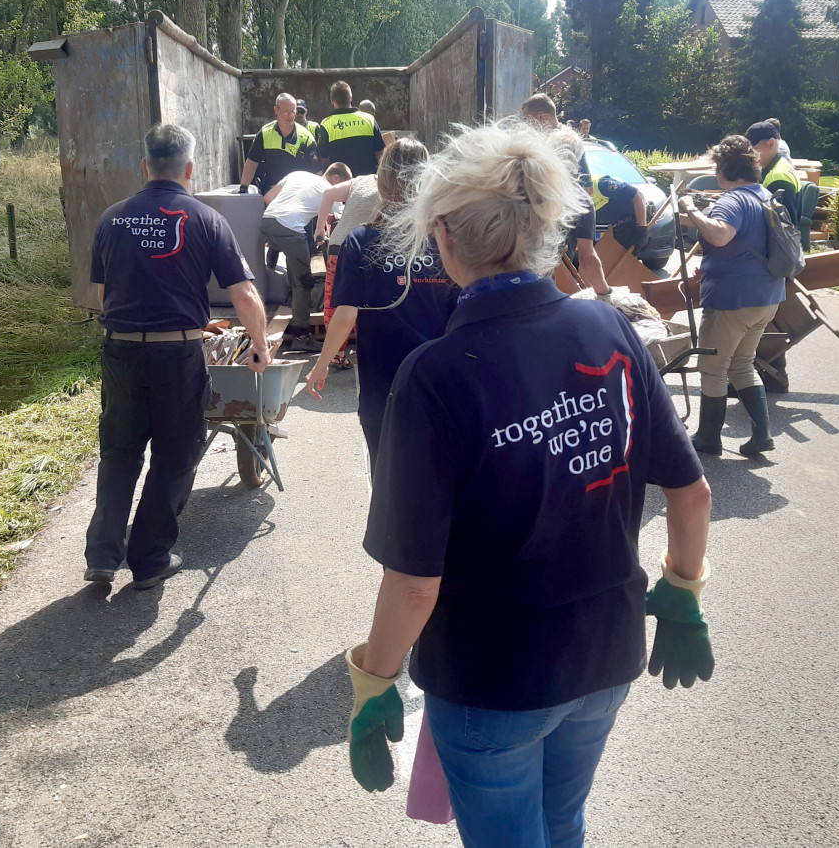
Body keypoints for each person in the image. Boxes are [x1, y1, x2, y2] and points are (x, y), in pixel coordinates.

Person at [342, 120, 714, 848]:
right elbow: (692, 492)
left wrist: (375, 679)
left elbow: (415, 581)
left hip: (493, 677)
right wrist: (684, 590)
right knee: (561, 822)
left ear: (443, 235)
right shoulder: (611, 330)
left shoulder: (436, 376)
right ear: (545, 225)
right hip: (606, 653)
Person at [85, 123, 271, 589]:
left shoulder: (112, 218)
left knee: (120, 451)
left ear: (145, 166)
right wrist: (261, 347)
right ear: (189, 169)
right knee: (176, 454)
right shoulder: (206, 219)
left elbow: (106, 294)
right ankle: (149, 559)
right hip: (177, 356)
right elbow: (245, 294)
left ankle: (103, 556)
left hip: (121, 353)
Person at [305, 139, 457, 461]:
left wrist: (321, 365)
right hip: (443, 381)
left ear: (383, 181)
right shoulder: (447, 236)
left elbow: (344, 316)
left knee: (387, 477)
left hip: (383, 385)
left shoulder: (359, 240)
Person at [677, 134, 786, 458]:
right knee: (741, 363)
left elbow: (721, 236)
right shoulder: (764, 196)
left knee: (712, 368)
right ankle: (762, 435)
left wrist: (690, 211)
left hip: (733, 301)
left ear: (723, 169)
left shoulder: (734, 200)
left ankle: (709, 437)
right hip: (768, 298)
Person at [522, 92, 612, 296]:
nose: (525, 126)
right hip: (537, 271)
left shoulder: (526, 183)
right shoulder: (534, 185)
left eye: (527, 120)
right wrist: (606, 296)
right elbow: (588, 258)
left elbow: (587, 186)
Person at [262, 163, 353, 352]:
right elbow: (335, 223)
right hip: (290, 231)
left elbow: (268, 197)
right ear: (336, 179)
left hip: (267, 221)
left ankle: (274, 250)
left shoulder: (297, 173)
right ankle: (301, 336)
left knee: (293, 255)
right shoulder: (331, 190)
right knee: (304, 283)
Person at [314, 166, 383, 367]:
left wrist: (320, 229)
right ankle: (369, 351)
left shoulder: (360, 180)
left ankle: (336, 353)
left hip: (338, 244)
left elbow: (329, 193)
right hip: (369, 246)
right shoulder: (395, 184)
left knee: (335, 299)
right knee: (370, 300)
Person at [240, 92, 317, 193]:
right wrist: (243, 188)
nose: (290, 116)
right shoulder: (265, 134)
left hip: (298, 192)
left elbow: (317, 171)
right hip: (271, 190)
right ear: (276, 110)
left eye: (293, 112)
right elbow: (252, 163)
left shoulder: (306, 137)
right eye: (285, 111)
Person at [316, 81, 386, 176]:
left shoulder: (326, 125)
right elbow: (381, 155)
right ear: (351, 98)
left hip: (340, 183)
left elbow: (324, 160)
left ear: (332, 101)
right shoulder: (369, 120)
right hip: (368, 182)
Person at [747, 119, 799, 222]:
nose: (751, 155)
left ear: (771, 143)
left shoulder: (778, 179)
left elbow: (784, 227)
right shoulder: (780, 165)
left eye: (755, 149)